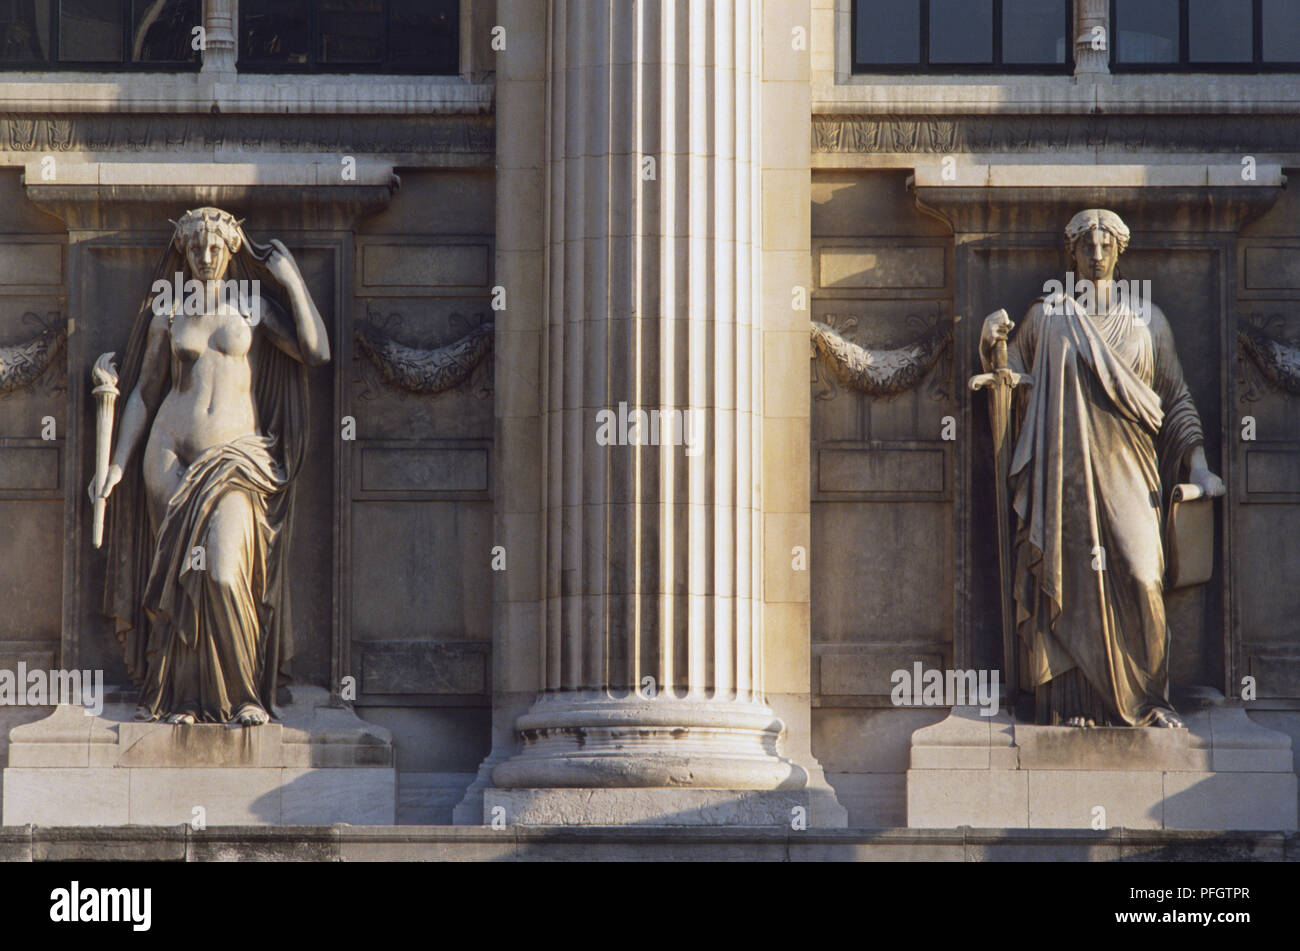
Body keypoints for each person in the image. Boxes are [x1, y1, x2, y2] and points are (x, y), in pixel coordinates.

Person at [980, 209, 1224, 728]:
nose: (1096, 254)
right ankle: (1072, 706)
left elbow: (1175, 398)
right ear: (1071, 253)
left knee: (1142, 575)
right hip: (1065, 482)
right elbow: (1012, 381)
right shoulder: (1048, 317)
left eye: (1105, 244)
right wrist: (990, 345)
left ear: (1119, 251)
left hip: (1132, 475)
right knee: (1070, 584)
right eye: (1086, 245)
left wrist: (1199, 467)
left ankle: (1149, 701)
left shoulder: (1147, 320)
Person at [90, 208, 329, 725]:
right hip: (169, 455)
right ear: (182, 249)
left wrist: (291, 282)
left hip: (236, 459)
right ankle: (185, 701)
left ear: (233, 247)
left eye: (215, 246)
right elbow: (145, 392)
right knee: (182, 579)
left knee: (221, 573)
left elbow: (316, 351)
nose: (205, 256)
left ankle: (244, 694)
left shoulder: (255, 308)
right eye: (195, 247)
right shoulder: (168, 311)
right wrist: (116, 465)